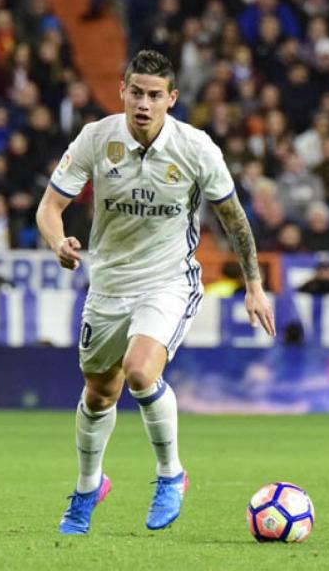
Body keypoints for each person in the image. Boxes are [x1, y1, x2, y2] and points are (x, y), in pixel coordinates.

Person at [35, 50, 274, 535]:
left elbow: (234, 219)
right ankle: (88, 487)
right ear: (122, 89)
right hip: (108, 283)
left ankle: (171, 475)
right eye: (136, 92)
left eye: (154, 95)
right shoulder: (96, 139)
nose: (144, 103)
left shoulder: (196, 148)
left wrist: (254, 283)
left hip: (168, 281)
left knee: (141, 372)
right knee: (99, 393)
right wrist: (57, 240)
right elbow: (49, 207)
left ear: (172, 99)